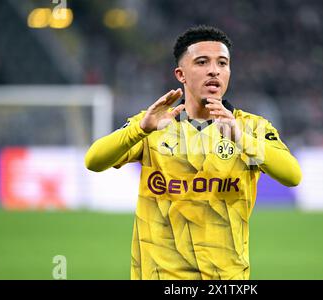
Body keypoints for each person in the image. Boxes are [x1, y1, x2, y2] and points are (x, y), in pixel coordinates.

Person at [85, 25, 302, 280]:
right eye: (202, 62)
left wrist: (241, 139)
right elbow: (94, 161)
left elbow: (292, 175)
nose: (214, 70)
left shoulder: (251, 127)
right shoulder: (154, 124)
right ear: (181, 74)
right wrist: (139, 129)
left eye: (223, 63)